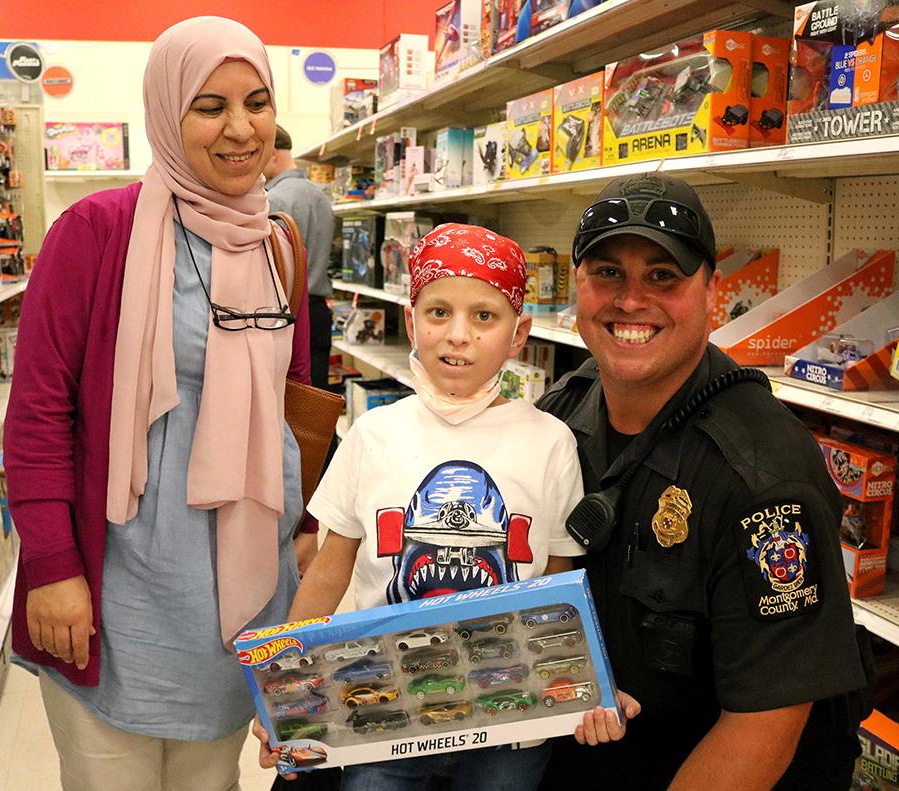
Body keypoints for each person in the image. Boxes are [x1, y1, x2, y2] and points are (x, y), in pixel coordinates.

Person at [3, 17, 313, 791]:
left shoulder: (278, 244)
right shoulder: (96, 232)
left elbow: (296, 399)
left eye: (257, 101)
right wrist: (51, 566)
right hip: (120, 576)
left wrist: (309, 533)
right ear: (167, 113)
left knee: (213, 777)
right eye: (209, 106)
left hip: (242, 577)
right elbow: (40, 410)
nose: (240, 129)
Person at [255, 223, 638, 788]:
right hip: (383, 717)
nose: (458, 335)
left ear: (519, 334)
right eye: (438, 313)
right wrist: (282, 685)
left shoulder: (551, 441)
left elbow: (558, 583)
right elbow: (329, 568)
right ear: (411, 321)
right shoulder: (372, 434)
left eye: (484, 316)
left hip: (512, 725)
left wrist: (586, 680)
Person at [536, 174, 873, 790]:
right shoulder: (557, 414)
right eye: (607, 273)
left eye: (663, 276)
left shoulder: (764, 473)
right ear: (578, 287)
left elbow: (765, 723)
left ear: (712, 290)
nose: (630, 300)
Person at [265, 124, 336, 393]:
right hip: (319, 310)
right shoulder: (321, 197)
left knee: (287, 399)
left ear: (273, 153)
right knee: (316, 398)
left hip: (288, 312)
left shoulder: (273, 200)